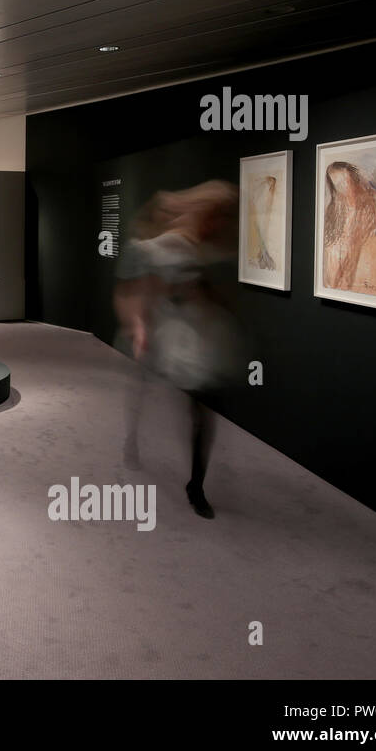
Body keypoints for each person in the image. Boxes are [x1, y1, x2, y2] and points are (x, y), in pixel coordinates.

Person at [114, 181, 241, 519]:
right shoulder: (162, 247)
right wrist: (140, 327)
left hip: (201, 337)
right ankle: (131, 438)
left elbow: (212, 290)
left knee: (203, 410)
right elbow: (144, 290)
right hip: (167, 332)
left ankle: (195, 485)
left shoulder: (207, 249)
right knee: (141, 383)